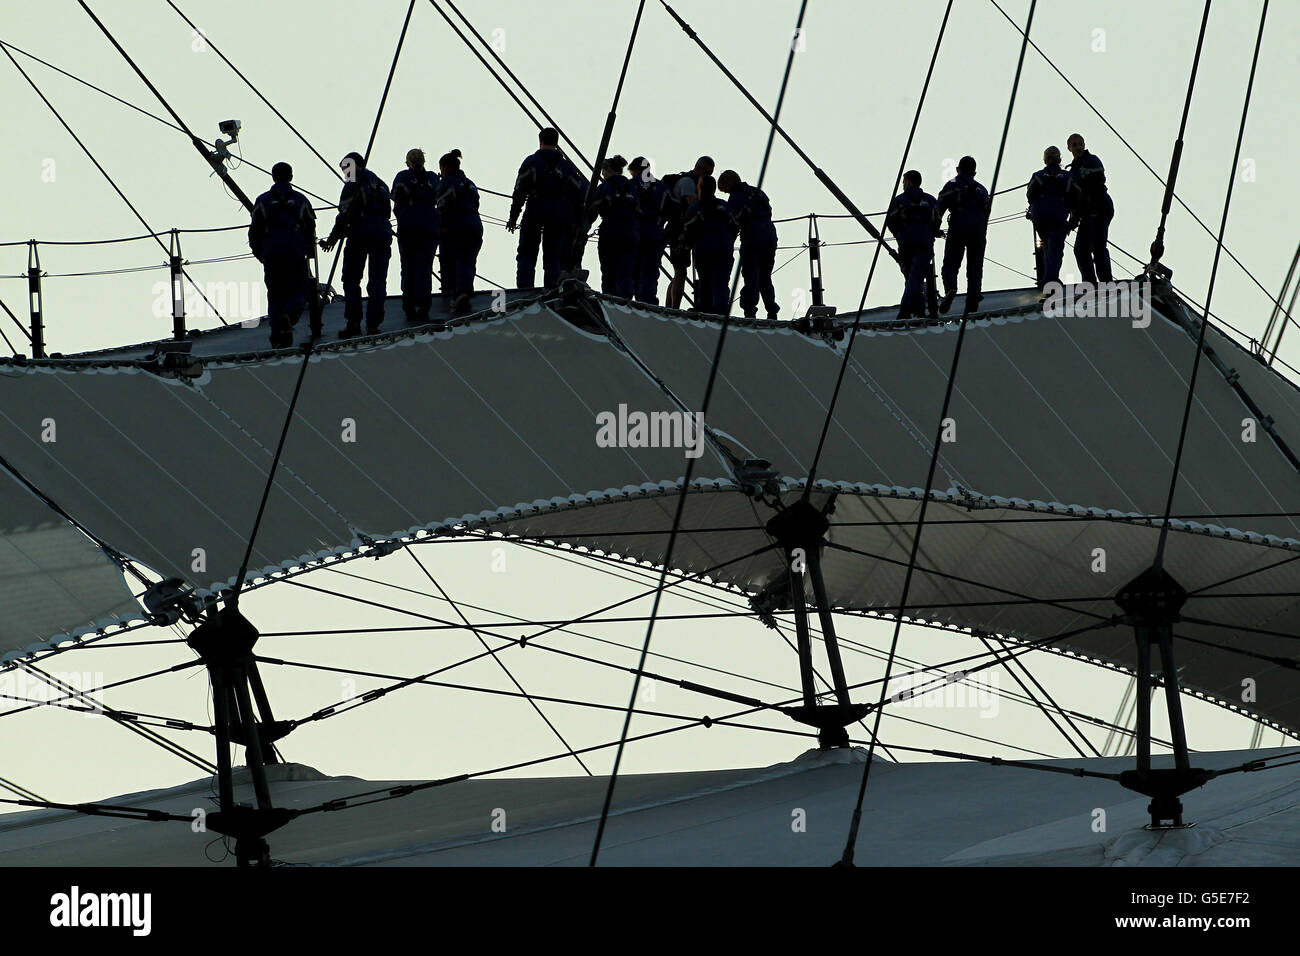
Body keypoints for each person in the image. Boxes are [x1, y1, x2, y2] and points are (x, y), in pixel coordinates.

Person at [319, 151, 392, 338]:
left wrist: (332, 239)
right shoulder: (381, 185)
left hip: (360, 233)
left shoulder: (353, 184)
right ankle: (373, 324)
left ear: (354, 166)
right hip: (383, 232)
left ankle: (353, 323)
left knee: (351, 279)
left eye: (346, 169)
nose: (345, 174)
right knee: (378, 281)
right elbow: (387, 210)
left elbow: (344, 214)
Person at [507, 127, 587, 289]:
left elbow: (520, 191)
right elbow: (577, 197)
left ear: (540, 141)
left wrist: (513, 217)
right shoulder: (567, 167)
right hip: (558, 213)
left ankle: (525, 288)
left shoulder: (531, 162)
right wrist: (578, 223)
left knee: (527, 252)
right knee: (553, 254)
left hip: (535, 208)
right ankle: (552, 288)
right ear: (557, 143)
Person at [248, 162, 316, 348]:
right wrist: (308, 251)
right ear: (291, 177)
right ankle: (289, 315)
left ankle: (277, 335)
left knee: (275, 294)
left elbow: (254, 230)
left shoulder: (262, 200)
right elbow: (310, 228)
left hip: (272, 250)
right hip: (295, 249)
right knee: (300, 290)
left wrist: (259, 253)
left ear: (273, 177)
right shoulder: (301, 200)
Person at [718, 169, 779, 319]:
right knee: (765, 275)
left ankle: (749, 310)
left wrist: (728, 243)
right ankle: (772, 309)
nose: (725, 192)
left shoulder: (736, 197)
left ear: (728, 183)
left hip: (752, 236)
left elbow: (734, 223)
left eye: (724, 189)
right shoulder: (758, 192)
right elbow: (769, 210)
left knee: (751, 274)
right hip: (769, 234)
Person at [390, 148, 441, 324]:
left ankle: (410, 306)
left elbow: (394, 195)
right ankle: (423, 306)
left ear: (408, 162)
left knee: (408, 266)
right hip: (429, 224)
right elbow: (439, 195)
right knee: (424, 266)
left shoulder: (402, 176)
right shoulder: (433, 178)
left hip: (408, 224)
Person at [934, 156, 989, 315]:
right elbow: (987, 211)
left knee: (951, 264)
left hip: (958, 225)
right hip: (978, 229)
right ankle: (973, 300)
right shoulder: (982, 190)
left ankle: (950, 288)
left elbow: (939, 208)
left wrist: (935, 228)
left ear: (958, 169)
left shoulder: (952, 185)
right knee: (975, 267)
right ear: (974, 173)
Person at [884, 169, 939, 321]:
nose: (903, 184)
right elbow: (937, 219)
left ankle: (906, 311)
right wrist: (931, 232)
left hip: (906, 242)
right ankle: (919, 310)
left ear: (908, 181)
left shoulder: (899, 200)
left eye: (903, 182)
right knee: (916, 277)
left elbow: (890, 221)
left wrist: (900, 235)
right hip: (925, 242)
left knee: (911, 277)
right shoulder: (930, 200)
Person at [435, 149, 484, 315]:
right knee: (468, 260)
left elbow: (442, 205)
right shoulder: (470, 184)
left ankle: (455, 293)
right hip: (475, 224)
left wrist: (441, 225)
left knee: (452, 260)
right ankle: (465, 291)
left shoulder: (447, 182)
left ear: (445, 167)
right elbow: (476, 203)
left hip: (457, 225)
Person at [682, 174, 737, 314]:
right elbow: (734, 226)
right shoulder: (724, 206)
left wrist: (686, 246)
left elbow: (687, 229)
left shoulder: (695, 208)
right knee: (721, 284)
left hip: (704, 249)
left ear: (700, 188)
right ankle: (721, 313)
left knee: (705, 284)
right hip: (724, 249)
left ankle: (705, 313)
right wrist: (728, 242)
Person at [664, 156, 714, 309]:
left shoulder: (689, 181)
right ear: (700, 168)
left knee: (679, 271)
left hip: (683, 231)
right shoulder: (687, 183)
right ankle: (674, 308)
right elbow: (695, 206)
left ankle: (670, 307)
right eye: (707, 173)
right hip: (679, 232)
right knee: (681, 271)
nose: (708, 177)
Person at [587, 155, 640, 298]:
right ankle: (626, 302)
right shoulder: (632, 188)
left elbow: (591, 212)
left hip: (610, 232)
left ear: (607, 170)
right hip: (631, 233)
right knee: (626, 272)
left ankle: (610, 302)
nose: (603, 175)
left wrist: (582, 231)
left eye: (603, 172)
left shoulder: (604, 188)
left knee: (608, 272)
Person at [1065, 132, 1114, 283]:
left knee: (1098, 246)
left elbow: (1100, 174)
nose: (1078, 147)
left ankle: (1106, 281)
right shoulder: (1072, 172)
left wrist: (1085, 173)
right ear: (1069, 148)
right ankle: (1090, 283)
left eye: (1080, 144)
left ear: (1084, 145)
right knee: (1080, 249)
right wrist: (1070, 224)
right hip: (1086, 212)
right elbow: (1074, 200)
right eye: (1075, 145)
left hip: (1100, 207)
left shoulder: (1092, 160)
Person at [1027, 145, 1070, 288]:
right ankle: (1050, 280)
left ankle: (1046, 277)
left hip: (1040, 215)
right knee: (1055, 248)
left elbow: (1030, 195)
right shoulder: (1067, 176)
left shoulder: (1037, 175)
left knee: (1047, 246)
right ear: (1059, 159)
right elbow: (1074, 196)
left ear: (1045, 160)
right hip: (1058, 214)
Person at [629, 156, 667, 304]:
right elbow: (672, 210)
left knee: (631, 271)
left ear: (635, 170)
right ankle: (648, 304)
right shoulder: (663, 188)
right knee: (650, 273)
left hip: (633, 233)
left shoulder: (629, 185)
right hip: (655, 234)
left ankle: (628, 304)